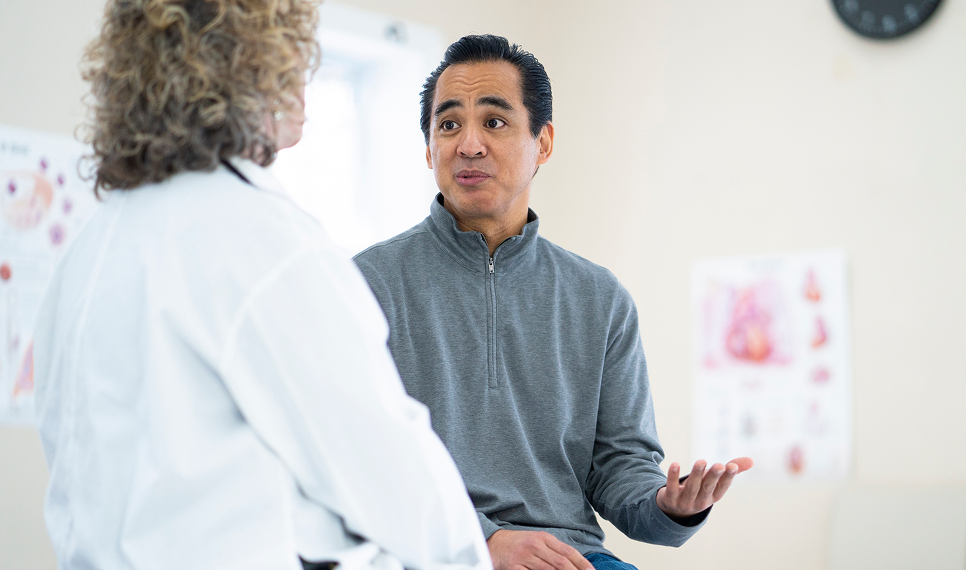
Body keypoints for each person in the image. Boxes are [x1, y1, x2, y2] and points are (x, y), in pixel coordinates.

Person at [32, 3, 491, 570]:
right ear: (247, 70)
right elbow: (394, 478)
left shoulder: (92, 248)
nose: (306, 77)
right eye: (294, 56)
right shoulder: (257, 239)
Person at [353, 34, 752, 570]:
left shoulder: (600, 298)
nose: (468, 144)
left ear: (543, 142)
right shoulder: (364, 283)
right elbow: (359, 458)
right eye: (448, 124)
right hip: (428, 553)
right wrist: (484, 541)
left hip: (569, 556)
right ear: (428, 148)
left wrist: (668, 507)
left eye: (494, 122)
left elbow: (620, 466)